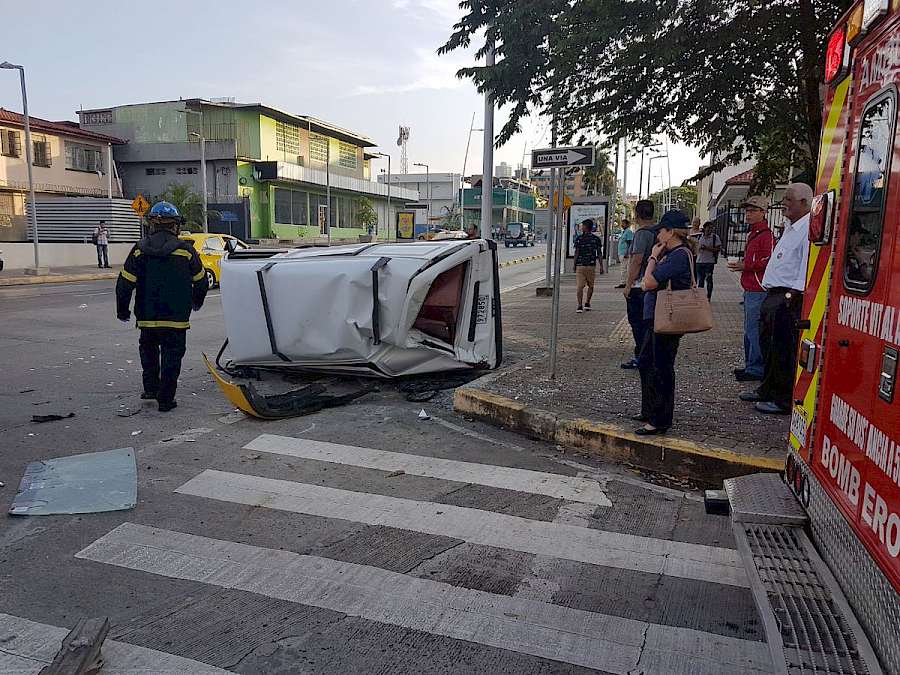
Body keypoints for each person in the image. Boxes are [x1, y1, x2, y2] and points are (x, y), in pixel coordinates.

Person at [116, 201, 209, 412]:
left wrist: (123, 311)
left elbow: (124, 283)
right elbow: (201, 281)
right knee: (172, 357)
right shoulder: (185, 252)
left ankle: (150, 389)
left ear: (152, 224)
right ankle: (166, 400)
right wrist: (197, 301)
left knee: (148, 353)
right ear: (175, 226)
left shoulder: (139, 250)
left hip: (147, 317)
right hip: (176, 319)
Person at [739, 183, 813, 414]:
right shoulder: (791, 227)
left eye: (789, 200)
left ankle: (782, 399)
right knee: (768, 345)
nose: (784, 204)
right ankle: (766, 389)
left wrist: (794, 295)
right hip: (773, 294)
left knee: (782, 349)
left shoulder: (808, 229)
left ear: (804, 202)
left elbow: (805, 264)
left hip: (787, 296)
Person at [635, 210, 698, 435]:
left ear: (671, 232)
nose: (658, 236)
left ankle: (660, 419)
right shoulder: (672, 253)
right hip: (657, 317)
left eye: (661, 231)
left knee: (661, 368)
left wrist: (652, 257)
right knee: (646, 363)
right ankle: (650, 410)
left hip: (668, 319)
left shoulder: (679, 254)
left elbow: (649, 282)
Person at [729, 196, 774, 383]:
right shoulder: (754, 234)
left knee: (754, 330)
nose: (748, 214)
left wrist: (746, 266)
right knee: (749, 329)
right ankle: (751, 365)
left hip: (759, 287)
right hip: (750, 287)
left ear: (763, 213)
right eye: (747, 211)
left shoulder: (766, 235)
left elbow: (769, 259)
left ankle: (756, 368)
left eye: (753, 210)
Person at [622, 200, 657, 368]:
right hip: (653, 283)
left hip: (639, 285)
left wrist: (628, 285)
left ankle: (642, 357)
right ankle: (648, 355)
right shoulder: (658, 231)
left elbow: (636, 261)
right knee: (648, 323)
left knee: (637, 323)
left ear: (636, 214)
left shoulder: (642, 233)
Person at [573, 218, 603, 313]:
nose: (581, 227)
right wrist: (601, 266)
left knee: (580, 286)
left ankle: (579, 305)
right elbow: (599, 253)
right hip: (591, 265)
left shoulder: (579, 239)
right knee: (591, 285)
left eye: (582, 226)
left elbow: (576, 252)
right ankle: (587, 303)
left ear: (585, 227)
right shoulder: (596, 239)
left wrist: (574, 264)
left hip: (580, 265)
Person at [695, 221, 722, 300]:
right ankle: (700, 297)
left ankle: (708, 296)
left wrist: (707, 248)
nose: (710, 230)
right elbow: (694, 247)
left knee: (709, 279)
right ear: (704, 228)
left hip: (709, 262)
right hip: (699, 261)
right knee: (700, 280)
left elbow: (718, 249)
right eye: (708, 228)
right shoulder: (699, 237)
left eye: (711, 228)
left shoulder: (715, 237)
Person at [615, 219, 634, 289]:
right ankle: (624, 282)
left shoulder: (628, 232)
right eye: (622, 223)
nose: (622, 225)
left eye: (623, 224)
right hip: (621, 253)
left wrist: (627, 252)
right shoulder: (623, 232)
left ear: (627, 224)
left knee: (625, 268)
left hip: (625, 253)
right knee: (623, 268)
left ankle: (624, 282)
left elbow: (630, 243)